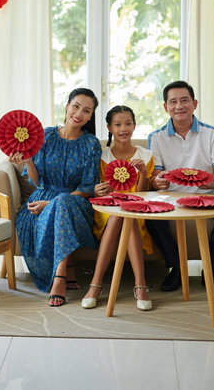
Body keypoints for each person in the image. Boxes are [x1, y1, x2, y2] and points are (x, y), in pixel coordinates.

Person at [9, 88, 102, 307]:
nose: (79, 113)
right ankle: (66, 269)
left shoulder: (91, 144)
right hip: (39, 201)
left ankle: (58, 278)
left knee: (62, 202)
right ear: (67, 106)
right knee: (59, 205)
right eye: (76, 106)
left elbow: (88, 187)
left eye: (87, 110)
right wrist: (28, 161)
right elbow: (36, 181)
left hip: (77, 202)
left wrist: (51, 204)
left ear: (90, 116)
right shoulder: (46, 135)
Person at [147, 80, 214, 294]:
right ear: (165, 107)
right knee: (149, 217)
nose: (179, 106)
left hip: (206, 197)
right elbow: (155, 176)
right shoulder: (156, 137)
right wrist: (158, 180)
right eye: (173, 101)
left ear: (194, 104)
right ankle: (177, 268)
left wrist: (200, 181)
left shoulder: (212, 133)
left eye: (184, 100)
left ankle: (210, 269)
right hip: (170, 199)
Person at [81, 105, 154, 311]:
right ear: (109, 128)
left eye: (128, 123)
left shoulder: (146, 156)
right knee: (117, 215)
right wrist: (97, 190)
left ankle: (103, 285)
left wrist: (141, 174)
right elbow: (99, 191)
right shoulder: (103, 156)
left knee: (126, 214)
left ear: (134, 125)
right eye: (118, 124)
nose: (124, 128)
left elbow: (142, 195)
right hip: (108, 211)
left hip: (135, 209)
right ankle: (109, 285)